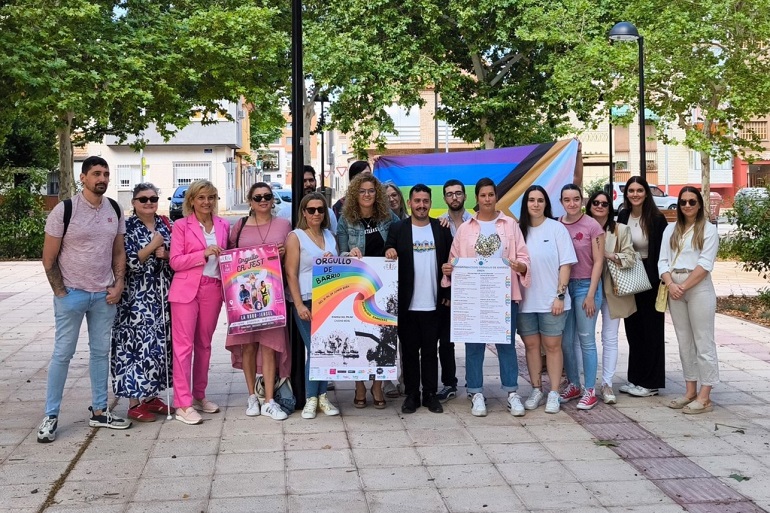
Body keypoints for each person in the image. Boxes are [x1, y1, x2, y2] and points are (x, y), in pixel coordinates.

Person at [38, 156, 131, 443]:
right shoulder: (64, 211)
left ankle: (100, 410)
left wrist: (118, 284)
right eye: (95, 174)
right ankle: (51, 416)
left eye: (105, 173)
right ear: (83, 177)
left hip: (103, 296)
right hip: (72, 294)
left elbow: (118, 252)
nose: (101, 178)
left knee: (100, 353)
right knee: (62, 354)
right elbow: (48, 258)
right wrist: (61, 293)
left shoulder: (114, 209)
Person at [442, 177, 530, 417]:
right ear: (477, 199)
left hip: (502, 295)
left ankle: (512, 392)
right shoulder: (465, 228)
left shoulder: (510, 225)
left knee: (506, 344)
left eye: (491, 195)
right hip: (473, 296)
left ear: (496, 197)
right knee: (474, 345)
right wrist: (448, 270)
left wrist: (519, 266)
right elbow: (454, 259)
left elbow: (523, 257)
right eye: (483, 196)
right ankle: (476, 392)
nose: (488, 199)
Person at [385, 184, 453, 414]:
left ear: (430, 203)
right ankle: (412, 394)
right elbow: (388, 251)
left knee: (431, 352)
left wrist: (447, 295)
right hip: (407, 304)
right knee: (410, 352)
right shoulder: (398, 228)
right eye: (417, 201)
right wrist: (389, 252)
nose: (421, 205)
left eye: (425, 201)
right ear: (410, 202)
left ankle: (431, 394)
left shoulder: (441, 228)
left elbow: (451, 263)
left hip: (435, 303)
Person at [226, 182, 292, 421]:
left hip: (271, 298)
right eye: (257, 197)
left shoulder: (284, 225)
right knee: (249, 346)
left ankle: (270, 400)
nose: (263, 200)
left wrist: (285, 253)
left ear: (273, 199)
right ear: (250, 201)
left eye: (267, 196)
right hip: (244, 299)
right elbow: (228, 257)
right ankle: (252, 396)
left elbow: (294, 255)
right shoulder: (240, 226)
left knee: (269, 346)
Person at [111, 182, 174, 422]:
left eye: (153, 199)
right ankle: (134, 402)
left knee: (157, 348)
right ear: (134, 203)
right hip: (135, 302)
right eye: (143, 199)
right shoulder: (126, 228)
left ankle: (151, 396)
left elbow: (174, 257)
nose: (149, 203)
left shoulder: (166, 224)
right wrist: (153, 246)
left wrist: (166, 254)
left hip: (161, 296)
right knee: (134, 349)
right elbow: (127, 263)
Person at [168, 179, 229, 425]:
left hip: (213, 289)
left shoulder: (223, 225)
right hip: (186, 290)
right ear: (191, 200)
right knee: (183, 347)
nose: (207, 202)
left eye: (211, 197)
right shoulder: (182, 226)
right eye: (201, 197)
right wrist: (201, 254)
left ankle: (199, 395)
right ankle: (182, 403)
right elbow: (175, 261)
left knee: (204, 345)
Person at [337, 172, 399, 408]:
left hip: (383, 285)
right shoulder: (346, 220)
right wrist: (348, 253)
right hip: (356, 284)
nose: (367, 195)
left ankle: (377, 384)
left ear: (377, 194)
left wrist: (392, 249)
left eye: (371, 191)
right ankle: (359, 384)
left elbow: (397, 239)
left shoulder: (387, 216)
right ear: (355, 194)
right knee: (357, 337)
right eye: (362, 191)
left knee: (381, 337)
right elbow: (340, 253)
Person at [659, 187, 719, 414]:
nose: (687, 206)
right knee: (684, 341)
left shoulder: (708, 230)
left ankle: (705, 396)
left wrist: (682, 286)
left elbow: (705, 264)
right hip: (674, 287)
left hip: (697, 287)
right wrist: (671, 284)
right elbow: (662, 261)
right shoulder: (670, 229)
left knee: (704, 341)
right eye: (683, 202)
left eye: (691, 202)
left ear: (699, 204)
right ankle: (690, 390)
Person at [517, 185, 577, 414]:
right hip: (524, 301)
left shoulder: (556, 229)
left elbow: (566, 264)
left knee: (552, 346)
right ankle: (535, 389)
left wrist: (560, 295)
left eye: (540, 200)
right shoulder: (518, 231)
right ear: (526, 204)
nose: (535, 204)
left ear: (546, 204)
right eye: (531, 200)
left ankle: (553, 392)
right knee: (531, 346)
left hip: (553, 300)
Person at [284, 192, 341, 419]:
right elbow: (291, 272)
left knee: (325, 349)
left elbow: (337, 267)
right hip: (306, 298)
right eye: (311, 210)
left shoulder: (330, 235)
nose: (316, 213)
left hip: (328, 298)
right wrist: (298, 304)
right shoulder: (296, 236)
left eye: (320, 209)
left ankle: (322, 397)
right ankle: (311, 398)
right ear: (304, 213)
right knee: (315, 349)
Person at [617, 177, 668, 397]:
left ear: (646, 193)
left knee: (652, 331)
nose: (635, 194)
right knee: (633, 329)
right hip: (629, 276)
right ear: (626, 193)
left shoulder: (656, 219)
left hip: (651, 278)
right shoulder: (623, 215)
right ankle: (635, 378)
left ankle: (651, 382)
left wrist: (659, 280)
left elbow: (662, 253)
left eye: (639, 190)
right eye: (631, 190)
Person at [586, 190, 637, 405]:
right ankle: (584, 384)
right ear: (589, 205)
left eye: (604, 203)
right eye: (595, 202)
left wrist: (607, 255)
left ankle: (607, 383)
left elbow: (630, 257)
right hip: (587, 289)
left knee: (610, 337)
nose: (599, 206)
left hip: (613, 289)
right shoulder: (581, 227)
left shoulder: (620, 230)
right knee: (584, 338)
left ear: (610, 207)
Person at [558, 184, 605, 410]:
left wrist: (590, 294)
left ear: (582, 200)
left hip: (587, 286)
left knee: (586, 341)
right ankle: (574, 384)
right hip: (564, 288)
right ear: (561, 202)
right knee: (566, 341)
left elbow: (598, 262)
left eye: (576, 199)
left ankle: (590, 390)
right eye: (567, 200)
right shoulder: (556, 225)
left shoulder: (592, 226)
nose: (572, 203)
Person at [435, 179, 472, 402]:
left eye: (458, 193)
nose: (454, 197)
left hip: (472, 289)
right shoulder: (440, 225)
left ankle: (473, 381)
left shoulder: (476, 223)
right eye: (449, 194)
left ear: (465, 196)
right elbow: (441, 260)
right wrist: (446, 293)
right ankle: (449, 383)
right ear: (445, 198)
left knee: (473, 338)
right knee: (446, 340)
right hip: (449, 291)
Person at [278, 165, 337, 233]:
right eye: (304, 181)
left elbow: (334, 237)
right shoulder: (284, 214)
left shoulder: (328, 213)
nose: (308, 184)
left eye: (311, 180)